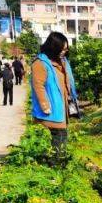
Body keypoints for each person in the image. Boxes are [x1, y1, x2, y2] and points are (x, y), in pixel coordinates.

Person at [30, 32, 78, 163]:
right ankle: (55, 166)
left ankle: (58, 163)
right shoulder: (40, 64)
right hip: (51, 109)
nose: (64, 52)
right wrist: (45, 106)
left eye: (66, 49)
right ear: (53, 48)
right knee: (58, 137)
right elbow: (38, 85)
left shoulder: (61, 62)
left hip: (61, 107)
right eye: (62, 49)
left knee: (61, 137)